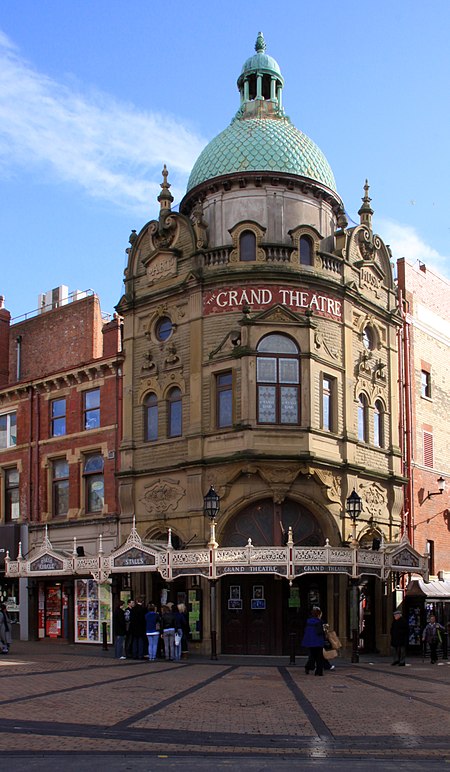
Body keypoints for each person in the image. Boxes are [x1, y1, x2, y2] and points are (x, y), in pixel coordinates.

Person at [302, 607, 326, 676]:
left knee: (312, 655)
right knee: (319, 657)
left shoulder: (308, 621)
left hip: (310, 642)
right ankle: (319, 671)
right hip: (318, 641)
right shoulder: (319, 622)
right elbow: (321, 632)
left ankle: (308, 667)